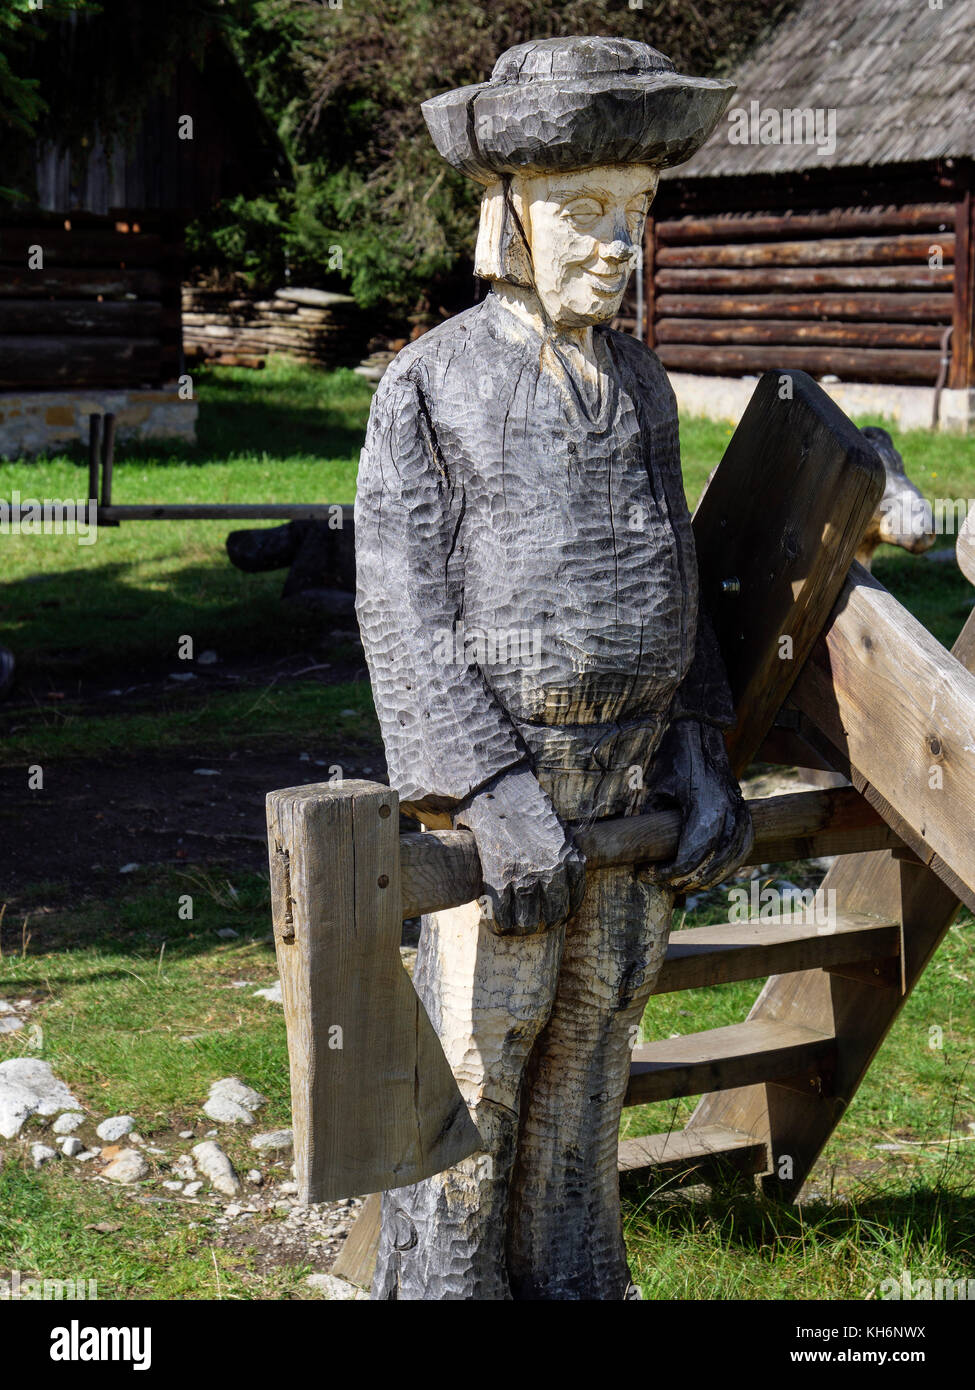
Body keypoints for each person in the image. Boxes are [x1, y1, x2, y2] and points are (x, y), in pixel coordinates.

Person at [355, 35, 753, 1300]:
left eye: (636, 214)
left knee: (590, 1076)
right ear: (507, 218)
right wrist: (481, 790)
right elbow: (406, 611)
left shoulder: (641, 384)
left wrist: (697, 743)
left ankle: (574, 1284)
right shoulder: (430, 385)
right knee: (474, 1079)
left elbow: (672, 572)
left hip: (629, 802)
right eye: (585, 214)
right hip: (504, 818)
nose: (618, 247)